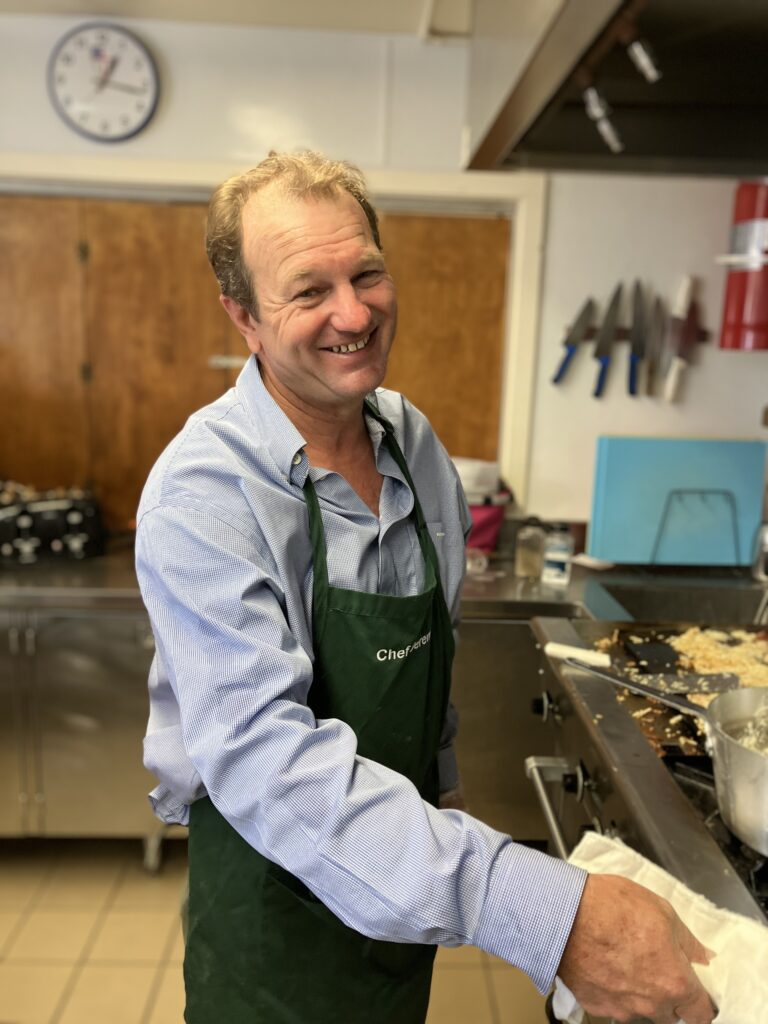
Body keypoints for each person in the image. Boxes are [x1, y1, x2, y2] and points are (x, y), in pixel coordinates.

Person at [135, 150, 716, 1024]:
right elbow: (265, 763)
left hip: (402, 880)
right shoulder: (203, 495)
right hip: (273, 914)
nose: (354, 312)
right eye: (309, 290)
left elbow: (430, 670)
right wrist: (543, 915)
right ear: (243, 315)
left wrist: (441, 798)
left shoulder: (413, 444)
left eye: (367, 273)